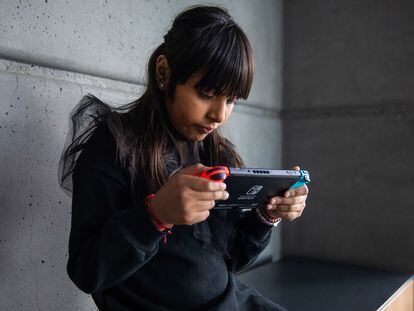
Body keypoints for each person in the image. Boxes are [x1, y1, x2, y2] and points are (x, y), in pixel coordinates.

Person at [58, 5, 308, 311]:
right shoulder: (115, 145)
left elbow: (227, 261)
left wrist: (267, 216)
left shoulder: (216, 153)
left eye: (231, 100)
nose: (219, 114)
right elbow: (86, 271)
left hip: (233, 301)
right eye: (207, 93)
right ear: (164, 72)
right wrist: (155, 215)